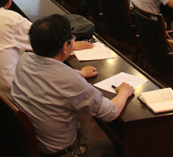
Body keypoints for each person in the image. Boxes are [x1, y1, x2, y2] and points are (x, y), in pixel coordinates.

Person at [12, 14, 134, 156]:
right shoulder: (71, 82)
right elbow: (110, 113)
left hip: (29, 141)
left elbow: (48, 75)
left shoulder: (25, 59)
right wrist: (124, 92)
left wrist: (79, 73)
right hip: (63, 152)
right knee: (117, 147)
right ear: (65, 47)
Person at [0, 0, 93, 111]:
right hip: (10, 100)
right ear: (9, 0)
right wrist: (73, 48)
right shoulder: (10, 19)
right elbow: (46, 42)